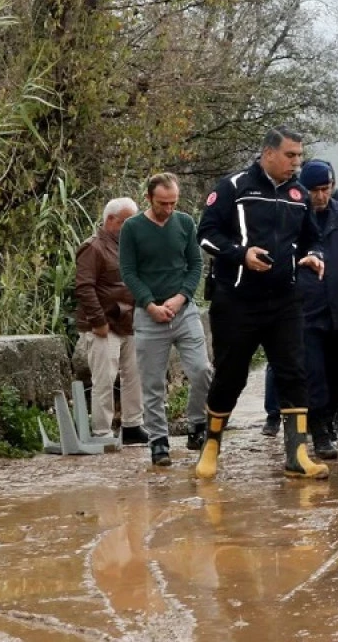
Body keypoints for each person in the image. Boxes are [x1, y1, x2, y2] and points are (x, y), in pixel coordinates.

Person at [195, 125, 328, 480]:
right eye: (290, 155)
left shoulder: (299, 194)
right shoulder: (234, 186)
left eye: (299, 155)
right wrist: (241, 254)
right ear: (268, 153)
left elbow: (313, 239)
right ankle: (211, 445)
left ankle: (297, 454)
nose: (296, 162)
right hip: (237, 299)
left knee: (294, 372)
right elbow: (205, 235)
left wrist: (314, 256)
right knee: (231, 375)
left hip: (284, 300)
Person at [259, 159, 338, 459]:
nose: (320, 196)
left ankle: (329, 419)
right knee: (313, 374)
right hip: (305, 311)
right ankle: (318, 431)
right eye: (314, 190)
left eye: (325, 189)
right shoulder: (289, 218)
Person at [119, 173, 213, 466]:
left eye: (173, 202)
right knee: (152, 383)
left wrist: (181, 297)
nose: (169, 208)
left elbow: (195, 264)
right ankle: (159, 441)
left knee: (202, 370)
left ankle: (197, 423)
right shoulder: (132, 228)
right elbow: (129, 272)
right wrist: (149, 304)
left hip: (183, 311)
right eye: (163, 203)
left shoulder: (184, 223)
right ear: (149, 198)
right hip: (149, 315)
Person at [75, 198, 146, 444]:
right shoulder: (92, 247)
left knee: (135, 376)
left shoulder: (131, 246)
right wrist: (98, 321)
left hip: (130, 321)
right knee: (104, 379)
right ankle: (102, 431)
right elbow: (84, 287)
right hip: (104, 324)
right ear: (111, 220)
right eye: (127, 221)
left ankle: (133, 425)